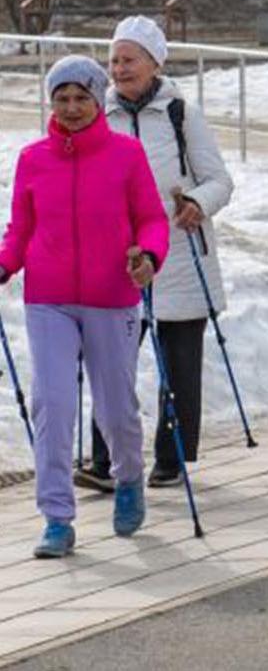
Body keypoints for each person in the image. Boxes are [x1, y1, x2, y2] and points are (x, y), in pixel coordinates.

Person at [0, 55, 169, 558]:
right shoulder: (33, 159)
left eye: (81, 98)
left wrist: (149, 258)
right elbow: (21, 228)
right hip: (49, 298)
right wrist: (5, 263)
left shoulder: (126, 155)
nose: (71, 108)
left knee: (115, 407)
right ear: (50, 102)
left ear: (99, 101)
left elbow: (151, 221)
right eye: (62, 98)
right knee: (52, 403)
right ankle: (56, 517)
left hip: (111, 294)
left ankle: (129, 477)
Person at [74, 15, 234, 492]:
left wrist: (198, 205)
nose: (119, 69)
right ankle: (106, 462)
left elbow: (219, 181)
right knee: (111, 363)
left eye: (129, 60)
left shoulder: (181, 112)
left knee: (179, 366)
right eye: (114, 60)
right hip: (119, 260)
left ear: (154, 62)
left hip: (181, 257)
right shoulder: (97, 114)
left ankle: (173, 456)